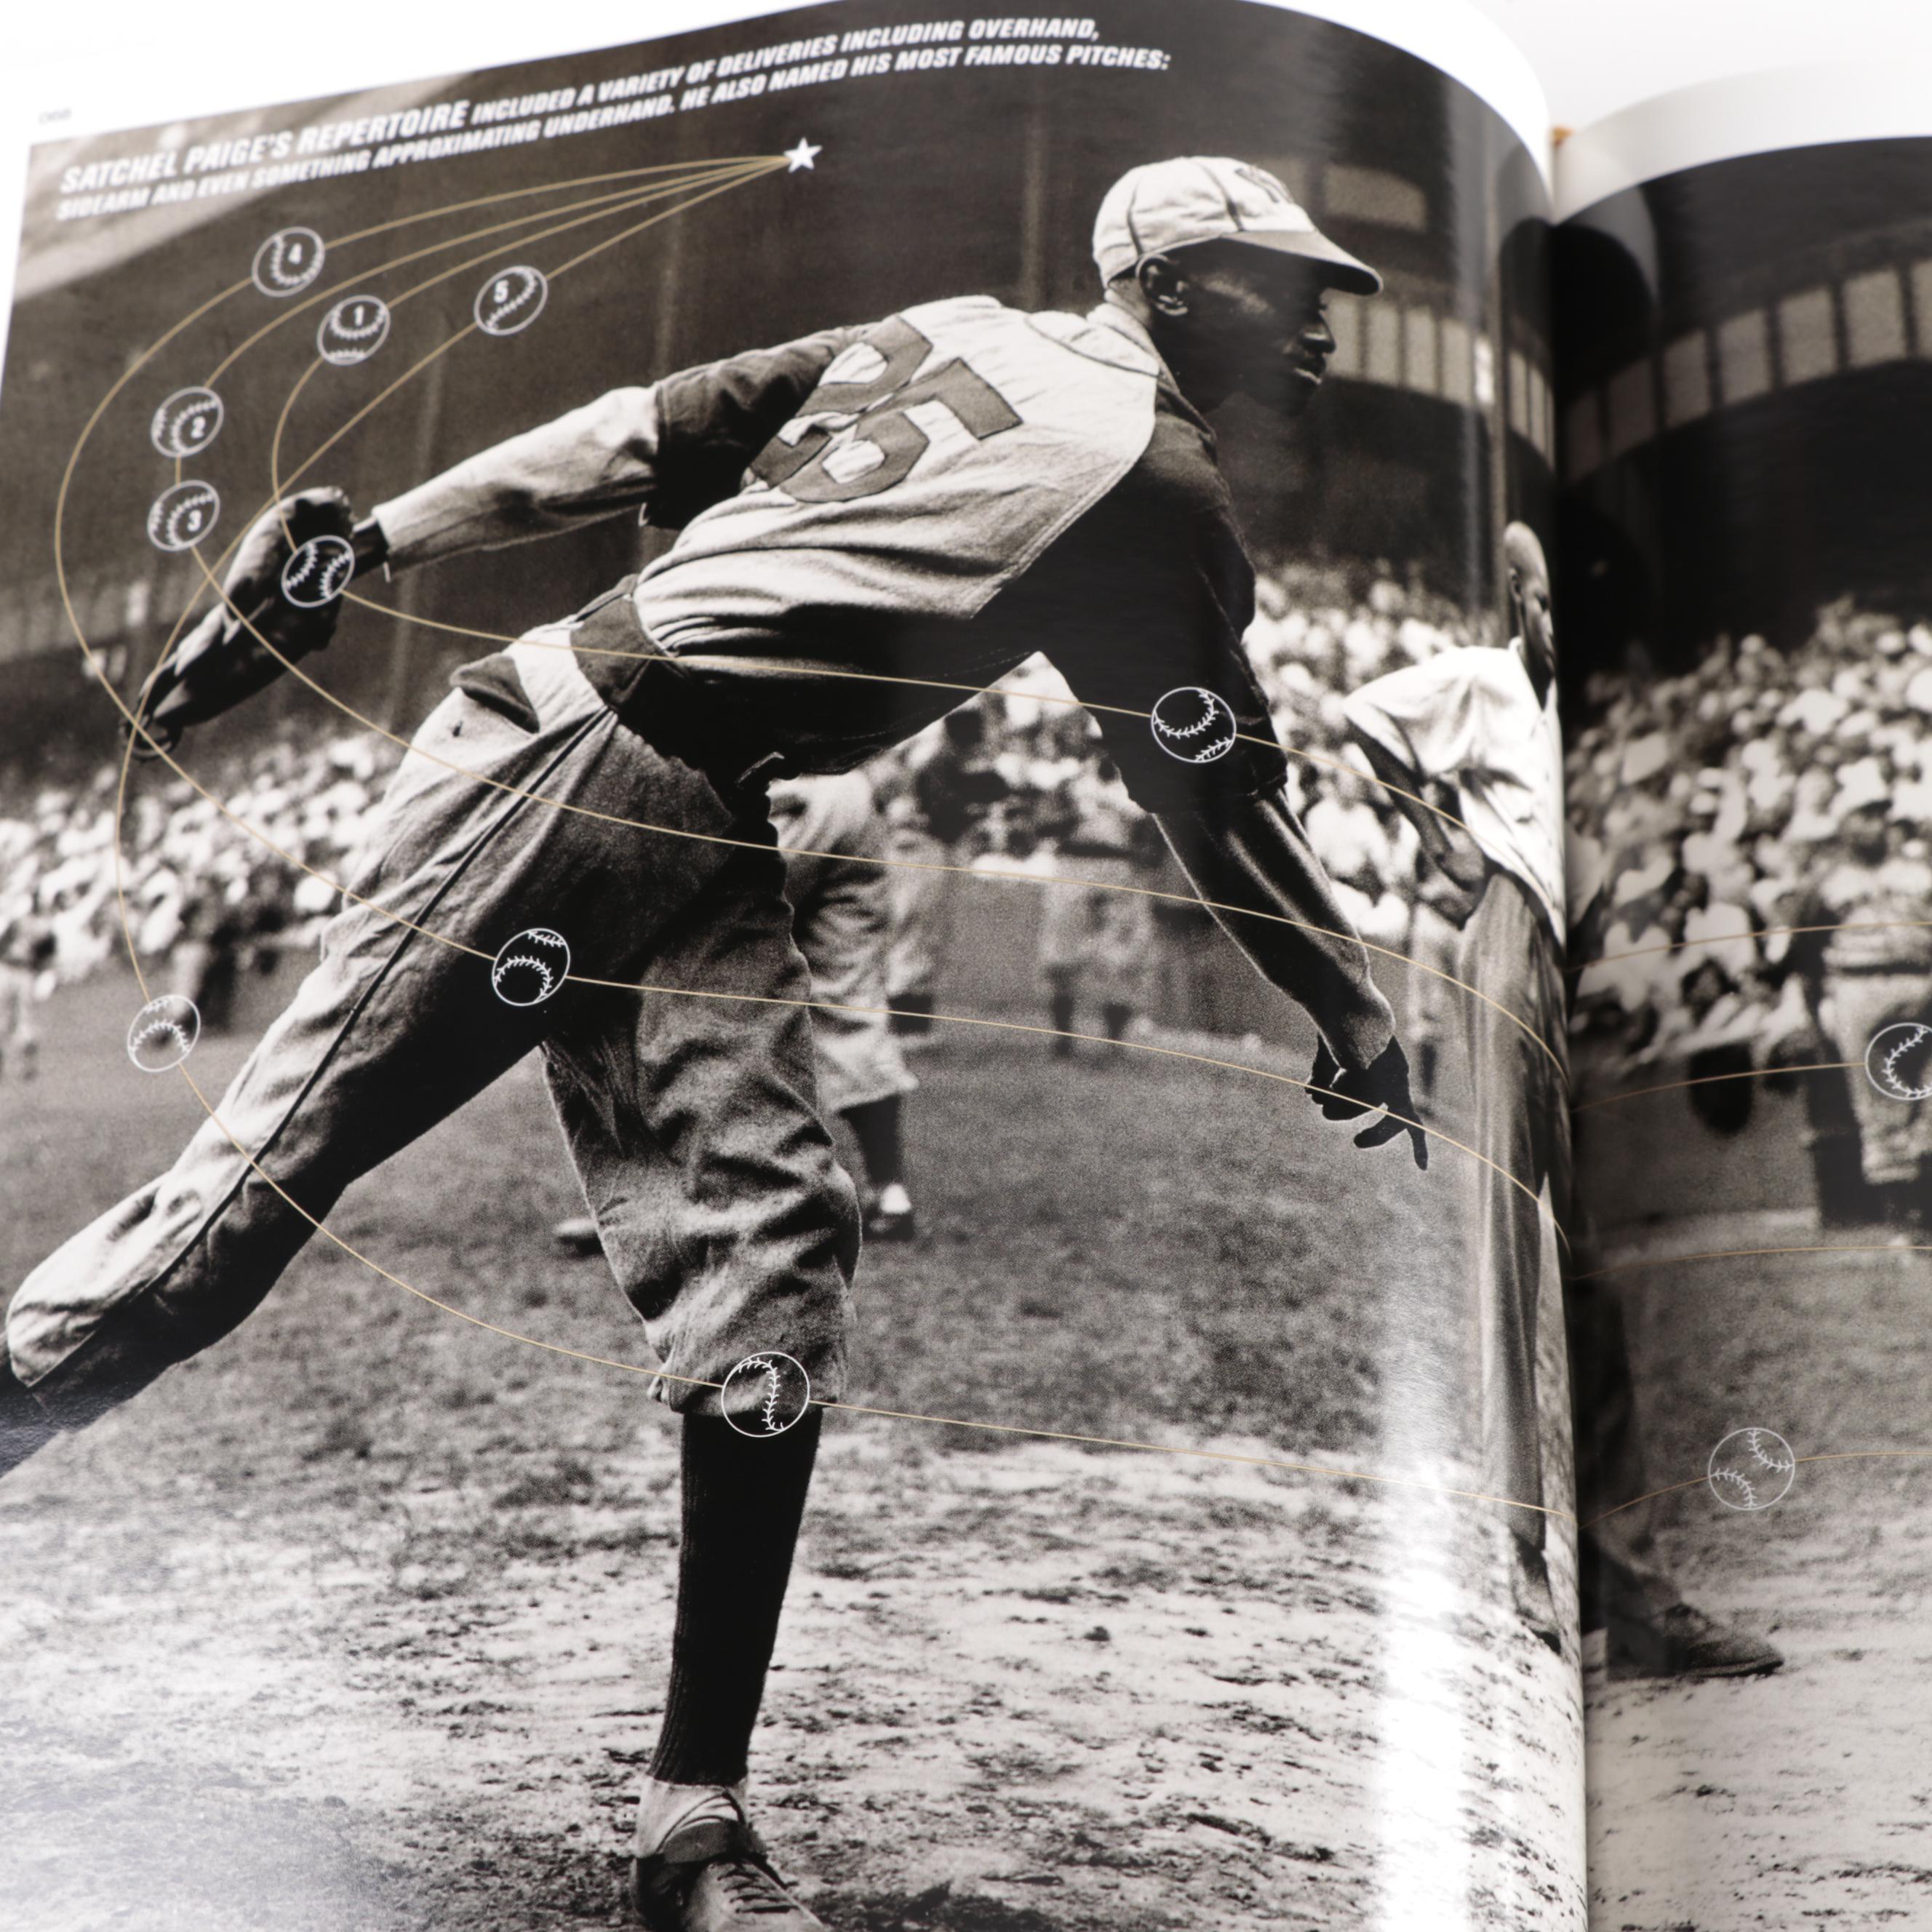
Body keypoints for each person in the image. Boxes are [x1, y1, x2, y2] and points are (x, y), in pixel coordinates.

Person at [1, 155, 1424, 1932]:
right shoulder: (1150, 472)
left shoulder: (953, 331)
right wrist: (1355, 1002)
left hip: (690, 805)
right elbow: (1213, 801)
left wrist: (376, 544)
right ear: (1182, 284)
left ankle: (692, 1820)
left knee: (769, 1257)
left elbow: (625, 437)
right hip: (572, 768)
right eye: (1284, 286)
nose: (1315, 325)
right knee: (236, 1221)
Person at [1343, 521, 1570, 1650]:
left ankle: (1634, 1573)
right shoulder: (1488, 680)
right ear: (1524, 603)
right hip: (1515, 939)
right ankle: (1525, 1552)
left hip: (1592, 960)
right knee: (1509, 1250)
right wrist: (1443, 840)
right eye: (1551, 600)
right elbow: (1368, 718)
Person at [556, 769, 921, 1251]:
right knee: (850, 1002)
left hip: (761, 791)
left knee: (668, 986)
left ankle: (645, 1205)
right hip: (845, 795)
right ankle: (892, 1195)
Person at [1035, 757, 1159, 1055]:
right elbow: (1042, 826)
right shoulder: (1072, 783)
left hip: (1120, 865)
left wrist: (1142, 844)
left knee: (1123, 955)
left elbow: (1156, 840)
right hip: (1075, 862)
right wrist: (1073, 813)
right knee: (1061, 954)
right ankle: (1063, 1037)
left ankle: (1114, 1041)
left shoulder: (1142, 783)